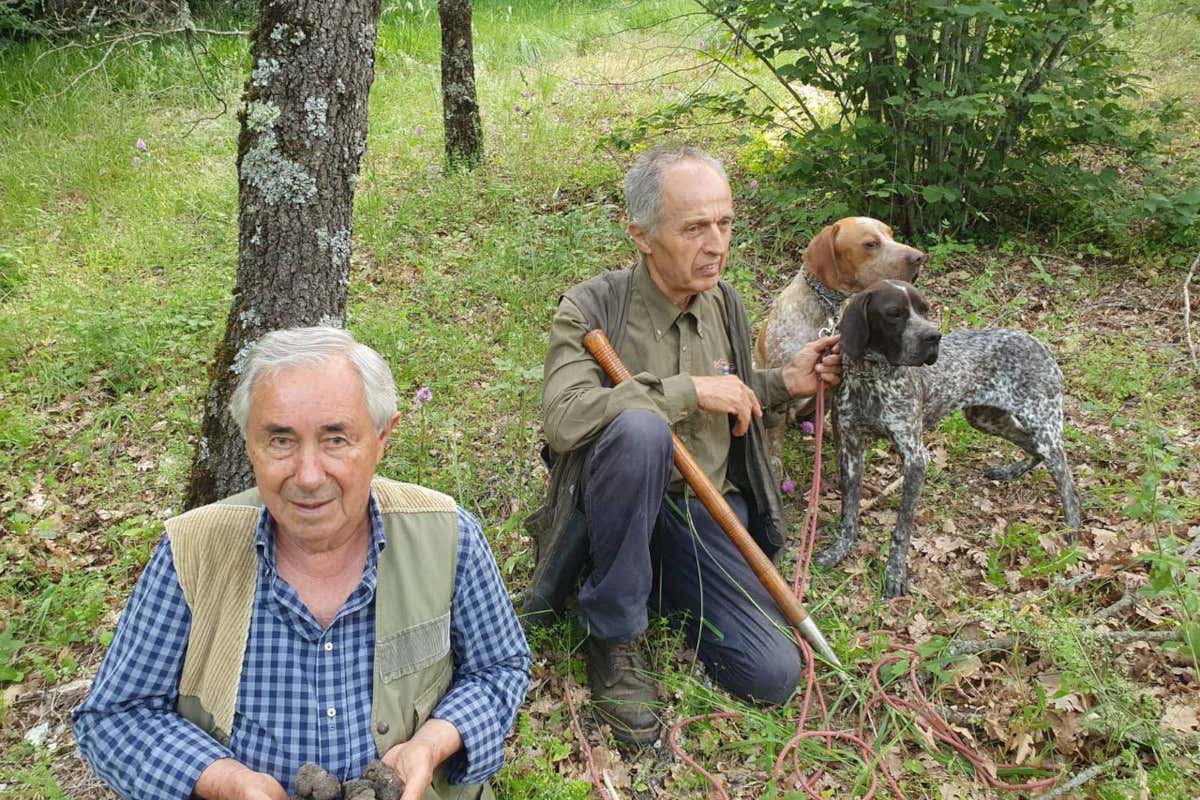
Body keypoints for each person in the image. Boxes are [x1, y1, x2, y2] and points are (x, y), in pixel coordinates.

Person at [73, 327, 531, 800]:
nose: (309, 476)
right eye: (280, 441)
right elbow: (116, 716)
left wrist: (433, 743)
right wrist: (227, 782)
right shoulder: (193, 552)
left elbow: (501, 667)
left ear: (381, 439)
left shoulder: (446, 535)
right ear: (250, 445)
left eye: (335, 439)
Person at [525, 146, 841, 745]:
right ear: (640, 234)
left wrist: (782, 384)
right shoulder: (593, 306)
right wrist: (685, 392)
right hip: (618, 506)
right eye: (694, 227)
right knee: (642, 430)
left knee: (774, 673)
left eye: (724, 223)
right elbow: (565, 421)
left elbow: (732, 392)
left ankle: (659, 579)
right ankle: (615, 633)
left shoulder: (722, 299)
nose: (717, 244)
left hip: (704, 512)